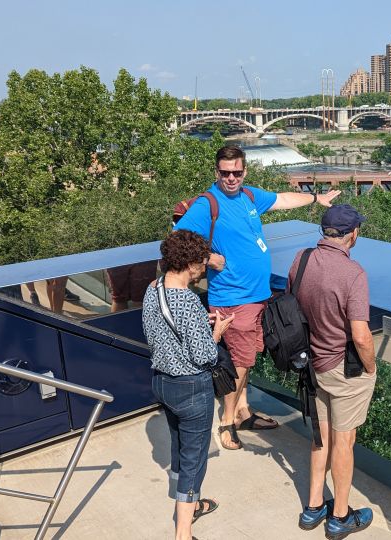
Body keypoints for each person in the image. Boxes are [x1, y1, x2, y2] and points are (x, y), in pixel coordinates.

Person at [174, 145, 340, 450]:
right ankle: (227, 423)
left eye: (237, 172)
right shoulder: (207, 204)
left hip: (257, 295)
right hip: (233, 298)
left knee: (247, 359)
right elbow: (176, 240)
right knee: (240, 361)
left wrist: (318, 199)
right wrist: (210, 259)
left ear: (244, 171)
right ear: (217, 173)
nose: (231, 178)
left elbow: (283, 199)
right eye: (225, 173)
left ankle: (243, 411)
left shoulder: (249, 196)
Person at [289, 205, 377, 539]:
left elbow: (293, 305)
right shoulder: (353, 274)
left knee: (320, 436)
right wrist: (370, 367)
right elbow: (361, 335)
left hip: (311, 364)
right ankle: (340, 515)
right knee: (343, 442)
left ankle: (313, 507)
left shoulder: (302, 258)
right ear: (353, 234)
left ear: (324, 231)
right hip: (342, 370)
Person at [141, 230, 235, 540]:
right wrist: (218, 330)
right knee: (195, 459)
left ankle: (190, 506)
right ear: (191, 264)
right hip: (191, 387)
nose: (204, 269)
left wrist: (197, 326)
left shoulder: (152, 289)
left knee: (179, 446)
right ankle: (183, 532)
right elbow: (206, 355)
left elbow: (156, 333)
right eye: (203, 263)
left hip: (162, 383)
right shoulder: (189, 301)